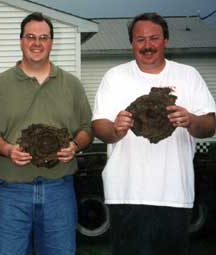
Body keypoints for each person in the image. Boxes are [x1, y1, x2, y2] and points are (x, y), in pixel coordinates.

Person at [92, 12, 216, 255]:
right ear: (132, 43)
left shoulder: (188, 76)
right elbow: (99, 126)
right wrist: (116, 129)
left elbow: (210, 124)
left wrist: (191, 120)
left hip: (174, 194)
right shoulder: (115, 77)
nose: (147, 45)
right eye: (140, 40)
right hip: (126, 194)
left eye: (154, 38)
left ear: (165, 40)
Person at [0, 12, 93, 255]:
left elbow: (87, 128)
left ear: (52, 42)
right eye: (30, 36)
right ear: (21, 40)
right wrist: (8, 149)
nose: (37, 43)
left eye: (44, 37)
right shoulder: (0, 84)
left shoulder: (71, 84)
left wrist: (75, 145)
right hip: (11, 191)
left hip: (59, 191)